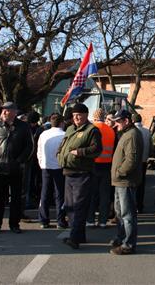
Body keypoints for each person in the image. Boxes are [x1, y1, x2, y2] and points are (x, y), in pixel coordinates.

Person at [56, 103, 102, 249]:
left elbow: (97, 149)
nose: (76, 118)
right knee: (70, 207)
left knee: (79, 207)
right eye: (74, 115)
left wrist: (80, 152)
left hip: (82, 173)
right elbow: (63, 145)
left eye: (79, 115)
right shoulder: (70, 128)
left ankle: (74, 238)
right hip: (68, 172)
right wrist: (59, 154)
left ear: (86, 115)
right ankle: (79, 235)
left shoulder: (92, 130)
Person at [0, 102, 34, 234]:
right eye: (3, 111)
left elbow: (29, 146)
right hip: (0, 169)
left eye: (6, 111)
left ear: (14, 112)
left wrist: (20, 161)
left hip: (16, 168)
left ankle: (14, 224)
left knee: (16, 198)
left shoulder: (23, 127)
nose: (4, 113)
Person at [109, 109, 143, 255]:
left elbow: (132, 159)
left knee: (127, 214)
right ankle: (122, 237)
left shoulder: (132, 135)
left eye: (118, 121)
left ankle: (128, 244)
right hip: (120, 181)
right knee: (120, 213)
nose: (116, 124)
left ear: (127, 121)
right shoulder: (127, 134)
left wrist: (120, 172)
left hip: (126, 181)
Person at [37, 113, 68, 229]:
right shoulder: (64, 135)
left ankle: (43, 219)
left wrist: (41, 163)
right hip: (59, 167)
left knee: (45, 193)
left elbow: (39, 149)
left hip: (46, 166)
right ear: (62, 123)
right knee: (59, 194)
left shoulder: (44, 134)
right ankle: (60, 220)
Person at [87, 108, 115, 228]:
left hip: (93, 164)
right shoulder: (111, 130)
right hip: (107, 165)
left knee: (92, 194)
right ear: (104, 117)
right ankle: (103, 221)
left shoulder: (91, 129)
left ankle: (90, 220)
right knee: (105, 195)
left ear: (94, 117)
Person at [133, 114, 152, 214]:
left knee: (133, 185)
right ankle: (140, 206)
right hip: (144, 161)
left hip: (134, 162)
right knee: (141, 185)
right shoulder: (146, 131)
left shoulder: (132, 131)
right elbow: (150, 145)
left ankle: (133, 205)